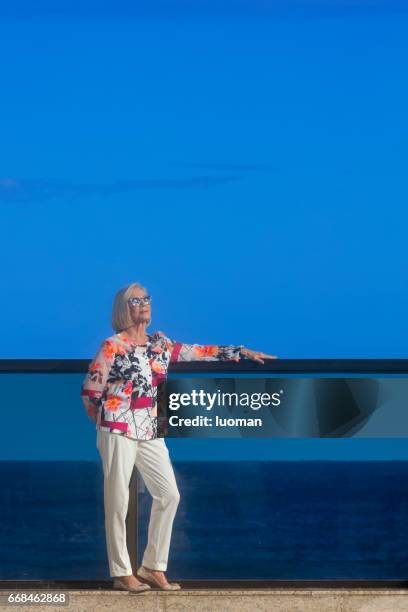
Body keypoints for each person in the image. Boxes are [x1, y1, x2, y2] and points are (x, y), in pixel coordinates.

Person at [80, 282, 277, 592]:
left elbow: (200, 352)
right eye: (136, 300)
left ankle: (152, 567)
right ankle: (122, 573)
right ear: (123, 308)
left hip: (151, 428)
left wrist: (240, 352)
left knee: (169, 494)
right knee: (118, 500)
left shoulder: (161, 344)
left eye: (147, 298)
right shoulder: (111, 346)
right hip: (117, 426)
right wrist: (106, 423)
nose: (144, 304)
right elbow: (91, 391)